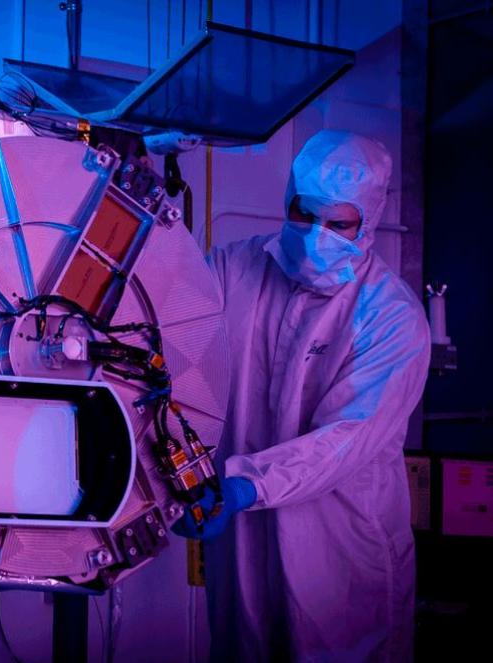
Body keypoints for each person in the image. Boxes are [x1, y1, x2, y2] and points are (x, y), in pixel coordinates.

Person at [172, 130, 431, 661]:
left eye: (339, 224)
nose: (316, 235)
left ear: (370, 221)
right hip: (245, 540)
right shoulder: (232, 269)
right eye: (303, 214)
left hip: (338, 539)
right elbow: (173, 342)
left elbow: (346, 438)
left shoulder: (390, 317)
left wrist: (245, 486)